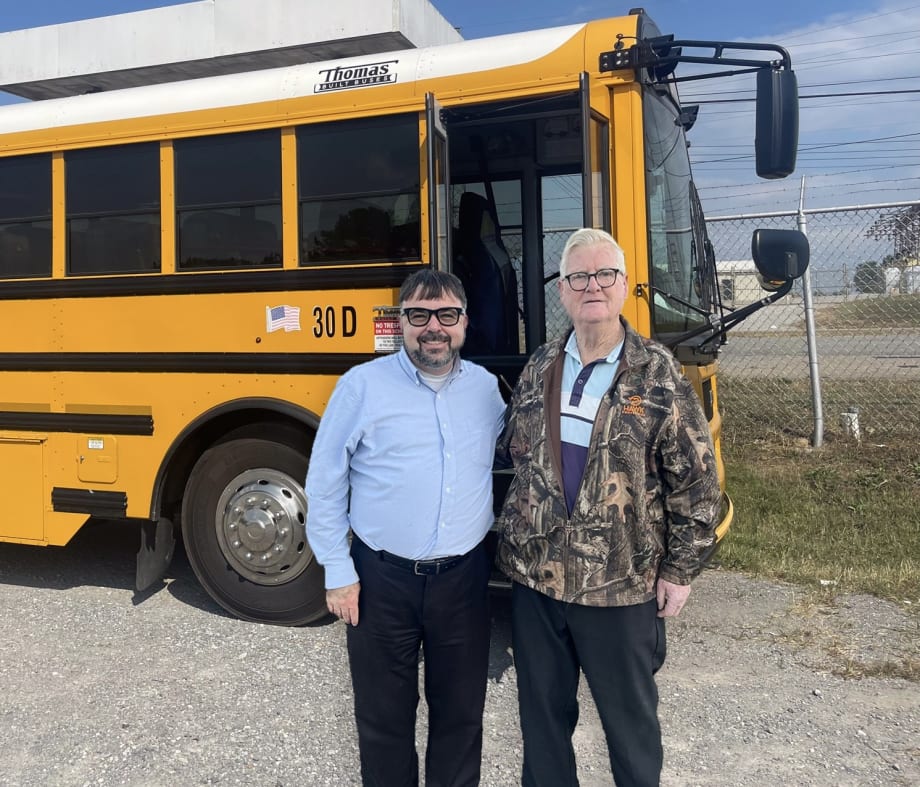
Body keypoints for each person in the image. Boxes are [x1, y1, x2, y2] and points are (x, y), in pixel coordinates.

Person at [496, 228, 721, 787]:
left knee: (631, 729)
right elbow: (517, 455)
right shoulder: (541, 365)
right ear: (564, 291)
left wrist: (680, 569)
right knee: (542, 726)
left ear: (623, 287)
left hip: (621, 584)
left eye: (604, 275)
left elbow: (696, 479)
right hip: (538, 581)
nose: (591, 286)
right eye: (578, 277)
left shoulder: (656, 371)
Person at [305, 268, 506, 787]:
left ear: (464, 322)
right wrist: (337, 570)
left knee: (461, 718)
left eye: (446, 315)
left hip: (463, 580)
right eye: (419, 315)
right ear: (401, 322)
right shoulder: (361, 387)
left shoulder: (487, 392)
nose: (432, 327)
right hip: (380, 582)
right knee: (383, 722)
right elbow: (324, 482)